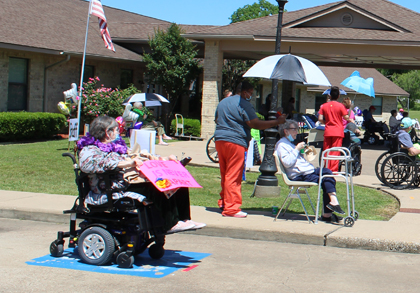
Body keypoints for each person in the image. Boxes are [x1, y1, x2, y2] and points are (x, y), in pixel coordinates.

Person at [77, 115, 202, 233]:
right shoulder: (90, 149)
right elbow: (89, 165)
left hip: (127, 182)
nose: (118, 132)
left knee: (177, 182)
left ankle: (184, 219)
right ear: (106, 132)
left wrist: (164, 159)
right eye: (116, 130)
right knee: (159, 185)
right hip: (112, 188)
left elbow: (137, 155)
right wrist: (127, 163)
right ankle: (170, 224)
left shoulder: (116, 146)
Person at [215, 81, 285, 218]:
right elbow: (254, 123)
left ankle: (224, 202)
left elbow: (217, 118)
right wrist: (277, 122)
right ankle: (231, 208)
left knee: (225, 173)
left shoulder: (223, 102)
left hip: (220, 139)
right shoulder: (244, 104)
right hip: (236, 141)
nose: (251, 96)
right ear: (244, 92)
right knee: (234, 175)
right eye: (250, 93)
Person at [275, 121, 346, 223]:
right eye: (294, 129)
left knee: (327, 172)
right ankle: (330, 209)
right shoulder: (281, 144)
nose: (296, 132)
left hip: (308, 171)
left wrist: (303, 151)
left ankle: (331, 206)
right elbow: (287, 163)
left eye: (297, 129)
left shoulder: (289, 143)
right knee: (326, 179)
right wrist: (297, 149)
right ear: (286, 131)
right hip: (300, 175)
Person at [318, 87, 348, 171]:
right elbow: (346, 117)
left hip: (328, 130)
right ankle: (333, 170)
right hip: (338, 131)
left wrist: (326, 122)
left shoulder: (324, 106)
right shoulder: (341, 106)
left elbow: (320, 118)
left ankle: (326, 168)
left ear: (330, 96)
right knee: (335, 151)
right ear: (338, 96)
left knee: (326, 150)